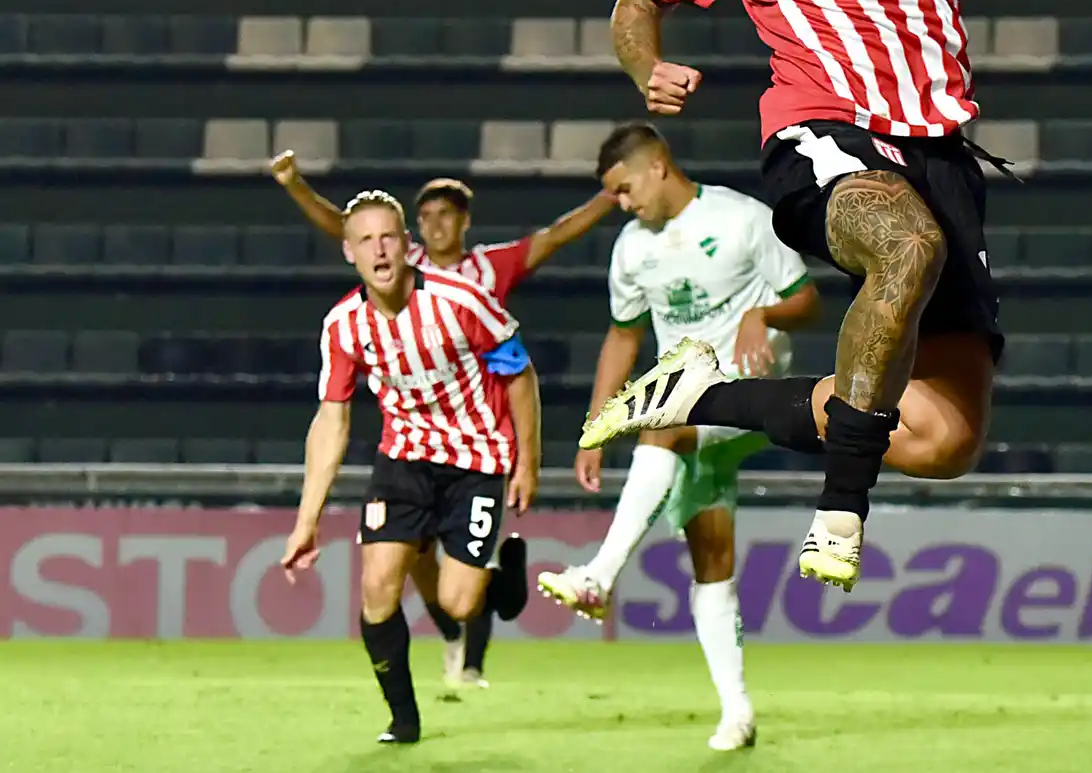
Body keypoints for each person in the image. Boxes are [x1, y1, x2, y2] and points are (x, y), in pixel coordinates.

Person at [576, 0, 1081, 592]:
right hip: (823, 135)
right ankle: (841, 510)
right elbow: (635, 2)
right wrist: (642, 67)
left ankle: (699, 392)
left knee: (945, 438)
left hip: (942, 149)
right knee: (904, 243)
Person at [271, 150, 615, 687]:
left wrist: (609, 196)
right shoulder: (391, 260)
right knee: (412, 566)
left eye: (446, 214)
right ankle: (458, 636)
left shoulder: (485, 273)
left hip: (478, 441)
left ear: (464, 221)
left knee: (459, 588)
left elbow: (554, 237)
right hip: (413, 448)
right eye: (425, 215)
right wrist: (294, 186)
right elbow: (343, 225)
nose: (434, 224)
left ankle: (471, 641)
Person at [538, 124, 820, 751]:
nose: (624, 204)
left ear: (658, 167)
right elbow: (623, 337)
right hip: (688, 405)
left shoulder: (743, 219)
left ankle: (600, 577)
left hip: (752, 386)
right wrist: (594, 429)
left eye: (626, 189)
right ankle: (738, 712)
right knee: (711, 559)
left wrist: (761, 313)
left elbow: (807, 300)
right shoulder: (632, 249)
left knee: (664, 420)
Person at [281, 190, 540, 745]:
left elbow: (519, 374)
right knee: (377, 590)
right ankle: (404, 720)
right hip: (404, 459)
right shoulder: (343, 326)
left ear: (407, 245)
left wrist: (527, 461)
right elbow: (332, 422)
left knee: (459, 603)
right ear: (348, 253)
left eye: (388, 238)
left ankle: (501, 579)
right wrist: (307, 520)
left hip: (476, 459)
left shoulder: (460, 301)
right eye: (365, 241)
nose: (378, 251)